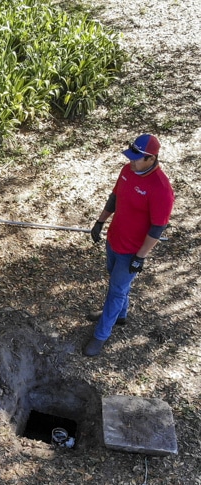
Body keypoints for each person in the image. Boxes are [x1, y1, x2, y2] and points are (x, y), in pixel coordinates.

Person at [84, 134, 175, 356]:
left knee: (116, 290)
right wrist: (100, 221)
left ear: (152, 159)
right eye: (131, 156)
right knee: (115, 282)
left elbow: (157, 228)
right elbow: (115, 197)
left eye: (137, 158)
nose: (132, 161)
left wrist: (140, 256)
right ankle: (119, 315)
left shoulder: (161, 188)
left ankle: (101, 335)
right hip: (114, 239)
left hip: (131, 250)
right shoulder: (128, 171)